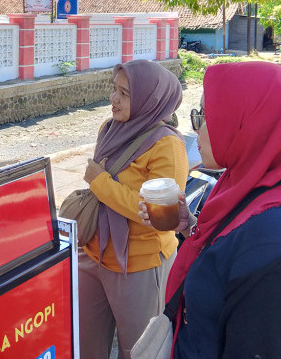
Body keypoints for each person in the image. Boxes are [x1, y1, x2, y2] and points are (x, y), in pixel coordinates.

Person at [141, 61, 281, 357]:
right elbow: (231, 253)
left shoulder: (279, 240)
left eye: (205, 117)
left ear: (247, 123)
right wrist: (190, 225)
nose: (198, 129)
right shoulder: (255, 187)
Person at [80, 59, 188, 359]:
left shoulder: (167, 146)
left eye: (125, 93)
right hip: (94, 253)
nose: (114, 98)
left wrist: (99, 182)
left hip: (140, 265)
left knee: (139, 352)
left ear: (148, 100)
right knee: (86, 346)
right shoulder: (109, 129)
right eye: (114, 89)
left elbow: (158, 216)